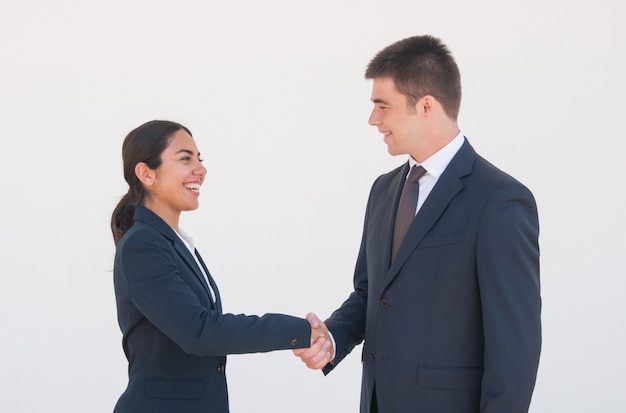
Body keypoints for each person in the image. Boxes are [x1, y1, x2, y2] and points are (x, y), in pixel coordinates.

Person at [294, 35, 541, 412]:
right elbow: (371, 294)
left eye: (383, 106)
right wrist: (332, 336)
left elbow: (514, 345)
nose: (373, 119)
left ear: (426, 106)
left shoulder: (499, 200)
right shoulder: (384, 189)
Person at [110, 120, 328, 413]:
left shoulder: (173, 243)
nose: (200, 169)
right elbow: (199, 332)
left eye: (200, 159)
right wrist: (297, 330)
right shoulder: (144, 245)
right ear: (146, 173)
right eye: (185, 158)